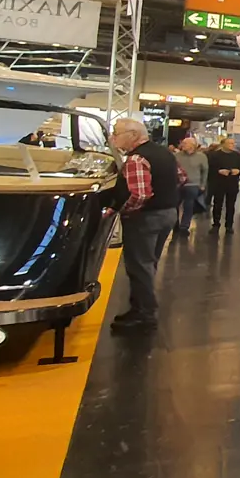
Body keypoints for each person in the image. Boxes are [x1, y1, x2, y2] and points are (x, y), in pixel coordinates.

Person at [107, 118, 181, 330]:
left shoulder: (136, 158)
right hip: (168, 213)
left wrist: (123, 211)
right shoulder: (165, 153)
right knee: (149, 263)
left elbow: (140, 194)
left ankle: (144, 313)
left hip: (146, 218)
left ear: (133, 135)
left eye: (117, 133)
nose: (113, 138)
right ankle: (140, 306)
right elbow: (181, 178)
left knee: (139, 266)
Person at [205, 136, 240, 231]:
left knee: (231, 205)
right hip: (219, 183)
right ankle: (216, 224)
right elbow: (209, 169)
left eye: (233, 143)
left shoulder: (237, 155)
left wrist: (238, 171)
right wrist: (219, 171)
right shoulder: (214, 155)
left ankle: (229, 225)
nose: (232, 145)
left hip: (232, 183)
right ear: (223, 144)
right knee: (217, 204)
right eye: (230, 143)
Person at [173, 137, 208, 237]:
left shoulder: (201, 157)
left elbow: (205, 171)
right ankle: (175, 225)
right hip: (178, 184)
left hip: (193, 185)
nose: (183, 145)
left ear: (193, 145)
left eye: (185, 143)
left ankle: (184, 226)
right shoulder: (176, 156)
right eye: (183, 143)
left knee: (189, 206)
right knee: (175, 205)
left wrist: (203, 184)